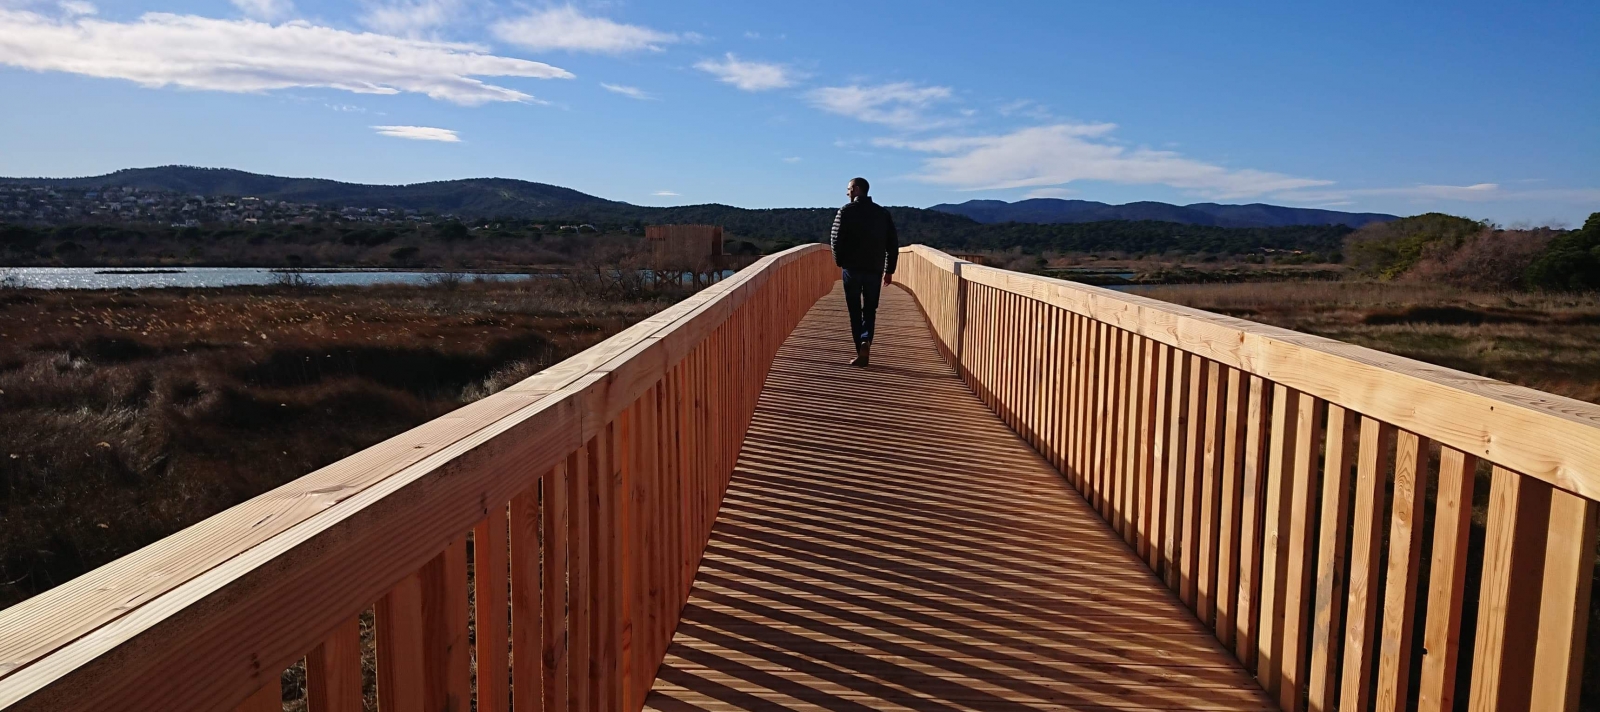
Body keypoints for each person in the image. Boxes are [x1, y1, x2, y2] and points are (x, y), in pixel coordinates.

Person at [829, 177, 898, 367]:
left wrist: (839, 261)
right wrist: (889, 270)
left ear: (857, 189)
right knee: (870, 309)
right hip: (874, 269)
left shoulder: (846, 211)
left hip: (852, 268)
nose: (847, 193)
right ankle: (866, 339)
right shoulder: (882, 213)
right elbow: (892, 244)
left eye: (849, 189)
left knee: (854, 311)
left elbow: (835, 239)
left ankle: (860, 350)